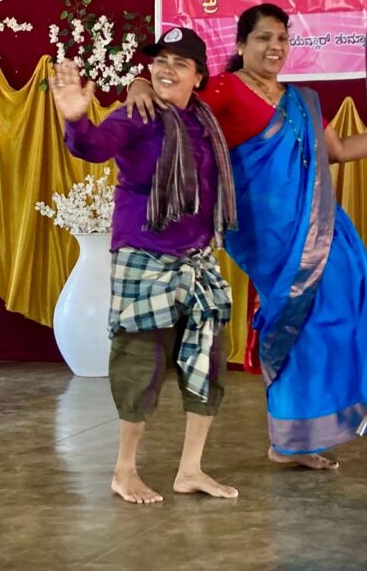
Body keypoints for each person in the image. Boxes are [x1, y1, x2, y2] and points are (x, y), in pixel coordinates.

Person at [126, 3, 367, 469]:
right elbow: (174, 96)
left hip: (321, 222)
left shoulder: (301, 100)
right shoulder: (224, 89)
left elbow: (338, 150)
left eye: (282, 38)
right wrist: (138, 83)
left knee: (358, 295)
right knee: (295, 321)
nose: (274, 47)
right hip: (265, 232)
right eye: (263, 38)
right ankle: (295, 435)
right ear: (240, 45)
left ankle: (301, 436)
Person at [51, 26, 239, 503]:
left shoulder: (205, 123)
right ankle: (124, 470)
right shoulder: (137, 113)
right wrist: (76, 119)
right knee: (140, 361)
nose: (166, 70)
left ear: (198, 77)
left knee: (208, 359)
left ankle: (190, 470)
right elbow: (94, 146)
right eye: (159, 61)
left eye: (179, 63)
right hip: (144, 253)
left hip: (197, 258)